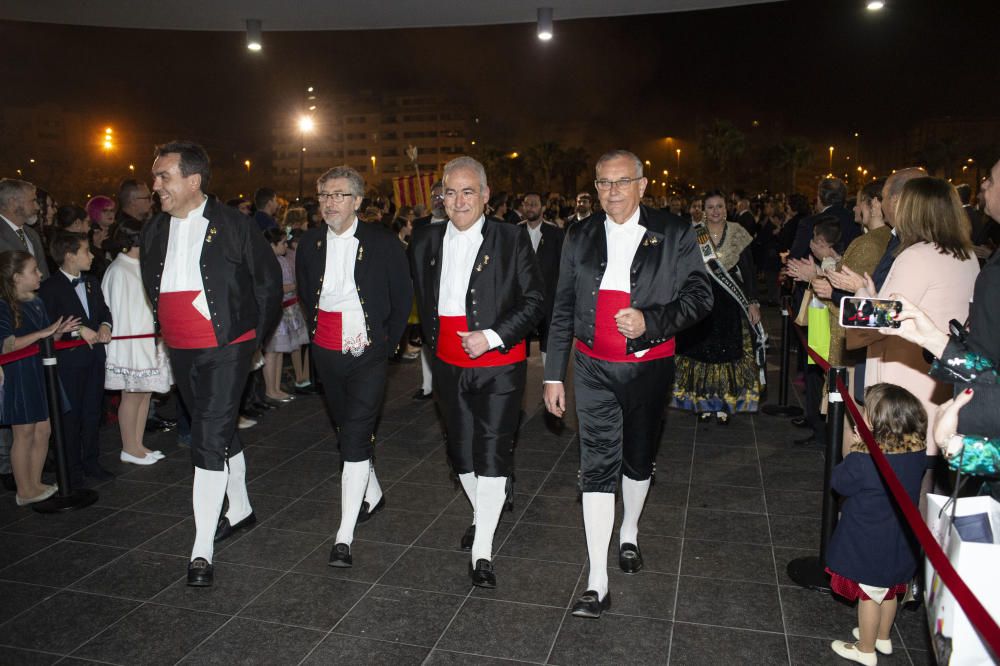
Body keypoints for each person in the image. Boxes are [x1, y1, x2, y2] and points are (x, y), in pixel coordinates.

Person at [544, 150, 711, 618]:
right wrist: (555, 373)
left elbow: (700, 297)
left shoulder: (674, 231)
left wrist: (651, 321)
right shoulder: (578, 235)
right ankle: (597, 578)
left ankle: (630, 530)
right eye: (603, 183)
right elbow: (560, 307)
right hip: (592, 367)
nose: (612, 191)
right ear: (594, 189)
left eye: (622, 182)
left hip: (649, 367)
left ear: (642, 184)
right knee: (595, 464)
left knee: (638, 458)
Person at [139, 140, 282, 587]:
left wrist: (251, 341)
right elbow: (152, 282)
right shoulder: (154, 229)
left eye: (164, 176)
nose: (156, 185)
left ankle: (202, 548)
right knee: (215, 427)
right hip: (180, 347)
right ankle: (239, 508)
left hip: (227, 345)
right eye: (156, 176)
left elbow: (268, 284)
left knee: (206, 436)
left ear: (193, 180)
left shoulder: (234, 225)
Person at [410, 156, 544, 589]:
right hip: (447, 363)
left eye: (468, 191)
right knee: (460, 453)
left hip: (499, 364)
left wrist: (493, 335)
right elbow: (424, 297)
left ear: (486, 195)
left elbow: (534, 301)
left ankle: (482, 547)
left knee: (492, 451)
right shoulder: (424, 240)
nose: (459, 200)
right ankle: (485, 506)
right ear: (441, 197)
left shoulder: (512, 238)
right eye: (450, 192)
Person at [296, 165, 412, 567]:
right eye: (325, 194)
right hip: (326, 349)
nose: (330, 202)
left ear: (358, 201)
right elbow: (308, 298)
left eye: (340, 195)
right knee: (348, 428)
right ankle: (373, 492)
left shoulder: (383, 242)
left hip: (368, 352)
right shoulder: (309, 243)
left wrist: (386, 344)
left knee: (355, 434)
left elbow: (402, 297)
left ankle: (344, 536)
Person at [843, 177, 979, 459]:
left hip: (905, 378)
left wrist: (860, 292)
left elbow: (882, 318)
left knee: (899, 465)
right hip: (939, 376)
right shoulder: (967, 255)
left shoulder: (916, 256)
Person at [826, 383, 927, 666]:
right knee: (891, 589)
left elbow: (839, 482)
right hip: (902, 538)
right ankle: (883, 636)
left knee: (869, 596)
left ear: (878, 425)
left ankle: (865, 649)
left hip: (870, 539)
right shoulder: (917, 451)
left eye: (866, 414)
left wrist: (859, 445)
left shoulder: (865, 459)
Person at [672, 190, 763, 425]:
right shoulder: (694, 234)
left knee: (727, 352)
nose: (715, 211)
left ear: (727, 208)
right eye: (710, 207)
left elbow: (750, 271)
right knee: (701, 352)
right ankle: (703, 405)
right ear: (703, 210)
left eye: (719, 206)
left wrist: (753, 301)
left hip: (730, 302)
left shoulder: (738, 233)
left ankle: (723, 405)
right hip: (701, 301)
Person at [0, 251, 79, 505]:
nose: (40, 274)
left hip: (40, 369)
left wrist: (57, 333)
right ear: (15, 277)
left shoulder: (36, 301)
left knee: (44, 429)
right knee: (24, 431)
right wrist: (45, 332)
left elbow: (46, 338)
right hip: (19, 373)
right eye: (34, 270)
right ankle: (24, 489)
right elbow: (7, 345)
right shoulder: (3, 305)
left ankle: (35, 483)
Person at [39, 231, 117, 485]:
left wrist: (105, 325)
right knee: (71, 417)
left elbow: (104, 311)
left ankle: (91, 461)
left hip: (95, 358)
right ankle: (71, 468)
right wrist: (77, 330)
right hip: (69, 363)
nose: (92, 255)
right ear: (70, 255)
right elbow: (48, 327)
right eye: (86, 251)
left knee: (93, 412)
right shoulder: (50, 288)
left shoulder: (92, 281)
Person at [102, 219, 172, 465]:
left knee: (144, 394)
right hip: (131, 343)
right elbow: (119, 313)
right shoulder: (120, 270)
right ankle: (129, 447)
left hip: (147, 340)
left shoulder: (141, 266)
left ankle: (139, 443)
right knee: (131, 395)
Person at [261, 227, 308, 402]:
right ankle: (270, 389)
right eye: (281, 243)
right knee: (272, 351)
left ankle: (276, 387)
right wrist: (296, 286)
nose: (285, 245)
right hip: (276, 309)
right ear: (271, 245)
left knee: (281, 349)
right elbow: (274, 287)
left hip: (287, 307)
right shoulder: (267, 262)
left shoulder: (282, 259)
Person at [411, 180, 447, 400]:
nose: (438, 200)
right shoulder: (420, 224)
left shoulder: (456, 223)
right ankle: (427, 385)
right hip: (425, 290)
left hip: (448, 291)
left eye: (443, 196)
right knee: (426, 339)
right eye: (435, 196)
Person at [518, 192, 564, 365]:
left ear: (543, 208)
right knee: (520, 342)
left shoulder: (555, 234)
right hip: (521, 299)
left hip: (549, 297)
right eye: (526, 204)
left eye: (534, 204)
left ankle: (550, 383)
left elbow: (562, 266)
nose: (530, 208)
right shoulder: (515, 231)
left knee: (548, 340)